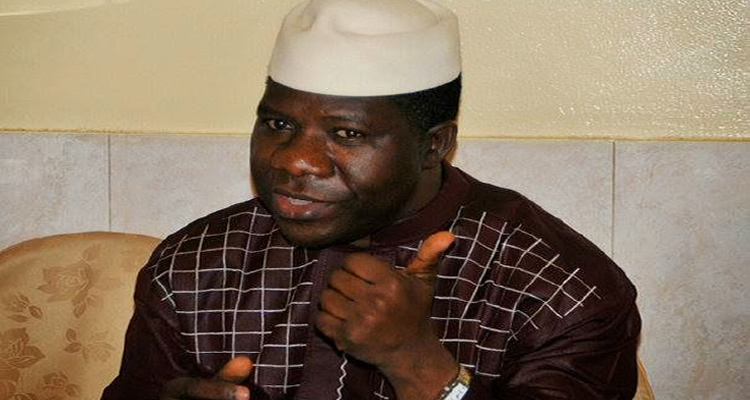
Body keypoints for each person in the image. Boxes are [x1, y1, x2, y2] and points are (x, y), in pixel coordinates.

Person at [102, 0, 641, 399]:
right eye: (279, 124)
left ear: (434, 146)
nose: (295, 161)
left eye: (347, 134)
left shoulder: (561, 290)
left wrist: (418, 364)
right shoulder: (196, 264)